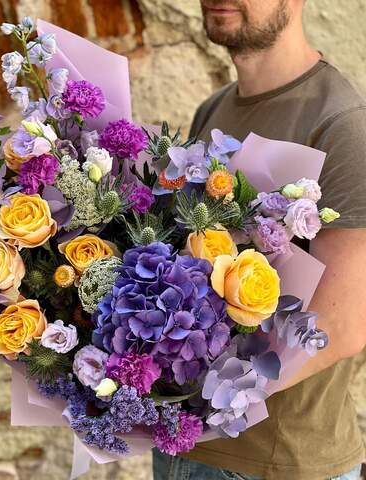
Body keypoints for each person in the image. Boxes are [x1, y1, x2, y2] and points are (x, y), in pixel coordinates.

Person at [153, 1, 366, 479]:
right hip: (181, 446)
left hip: (279, 462)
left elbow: (344, 324)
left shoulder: (342, 122)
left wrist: (212, 402)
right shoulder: (213, 109)